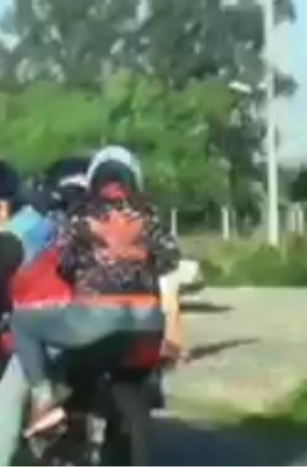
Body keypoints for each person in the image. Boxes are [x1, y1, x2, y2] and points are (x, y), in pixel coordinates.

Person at [12, 145, 180, 435]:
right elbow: (171, 258)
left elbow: (64, 263)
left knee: (22, 323)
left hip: (95, 317)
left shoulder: (81, 215)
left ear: (93, 181)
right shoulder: (152, 215)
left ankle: (43, 396)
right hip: (149, 321)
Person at [0, 157, 77, 467]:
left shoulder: (6, 241)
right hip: (79, 314)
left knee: (8, 396)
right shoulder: (43, 220)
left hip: (45, 326)